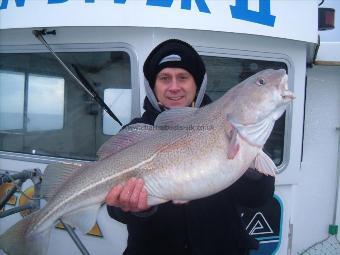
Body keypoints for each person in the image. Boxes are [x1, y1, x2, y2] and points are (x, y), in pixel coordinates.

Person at [105, 39, 275, 255]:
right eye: (164, 78)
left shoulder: (233, 122)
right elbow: (114, 208)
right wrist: (138, 209)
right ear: (152, 85)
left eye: (183, 77)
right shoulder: (136, 133)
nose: (174, 87)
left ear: (197, 84)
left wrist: (245, 163)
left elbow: (259, 197)